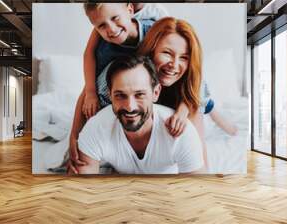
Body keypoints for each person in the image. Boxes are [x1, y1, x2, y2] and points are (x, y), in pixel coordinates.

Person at [70, 55, 203, 174]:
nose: (130, 107)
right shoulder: (97, 127)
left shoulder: (182, 134)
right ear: (110, 95)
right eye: (120, 95)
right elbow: (82, 188)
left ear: (155, 93)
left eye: (139, 95)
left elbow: (196, 192)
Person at [137, 17, 208, 167]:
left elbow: (201, 163)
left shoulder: (190, 86)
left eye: (184, 57)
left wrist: (183, 110)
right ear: (151, 50)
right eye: (167, 53)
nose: (174, 65)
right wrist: (73, 137)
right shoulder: (132, 73)